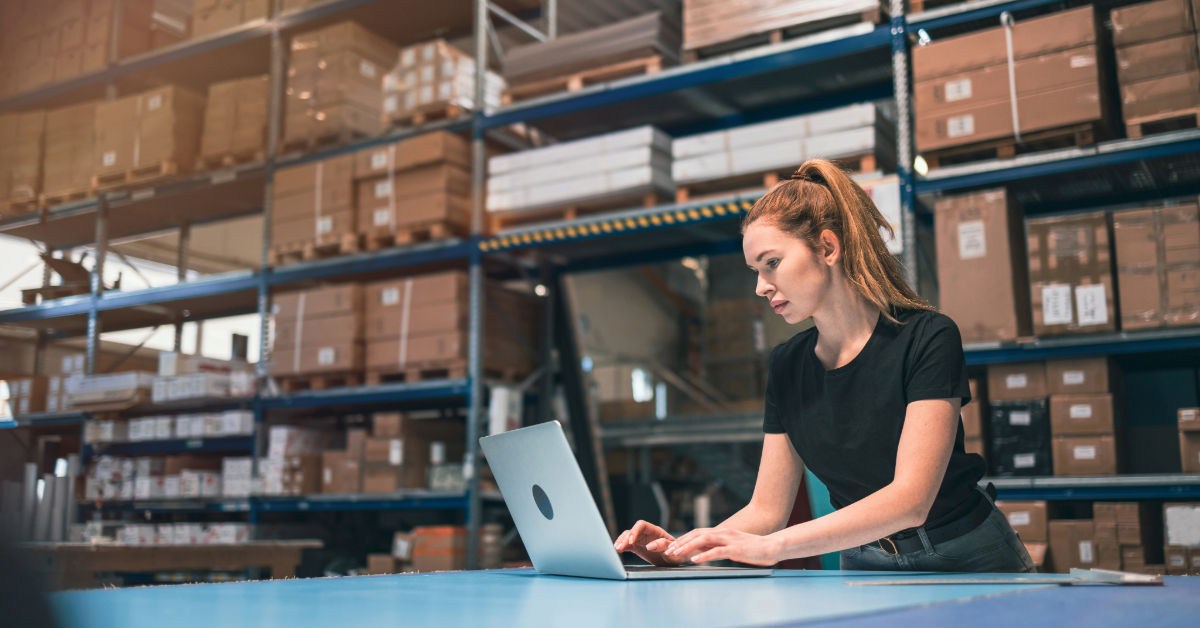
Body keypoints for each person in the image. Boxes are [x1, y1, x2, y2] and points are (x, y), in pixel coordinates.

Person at [615, 159, 1034, 573]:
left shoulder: (928, 337)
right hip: (865, 560)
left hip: (966, 555)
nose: (761, 287)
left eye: (771, 263)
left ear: (828, 248)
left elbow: (911, 500)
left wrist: (774, 547)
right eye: (755, 271)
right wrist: (684, 550)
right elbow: (766, 509)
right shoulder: (786, 365)